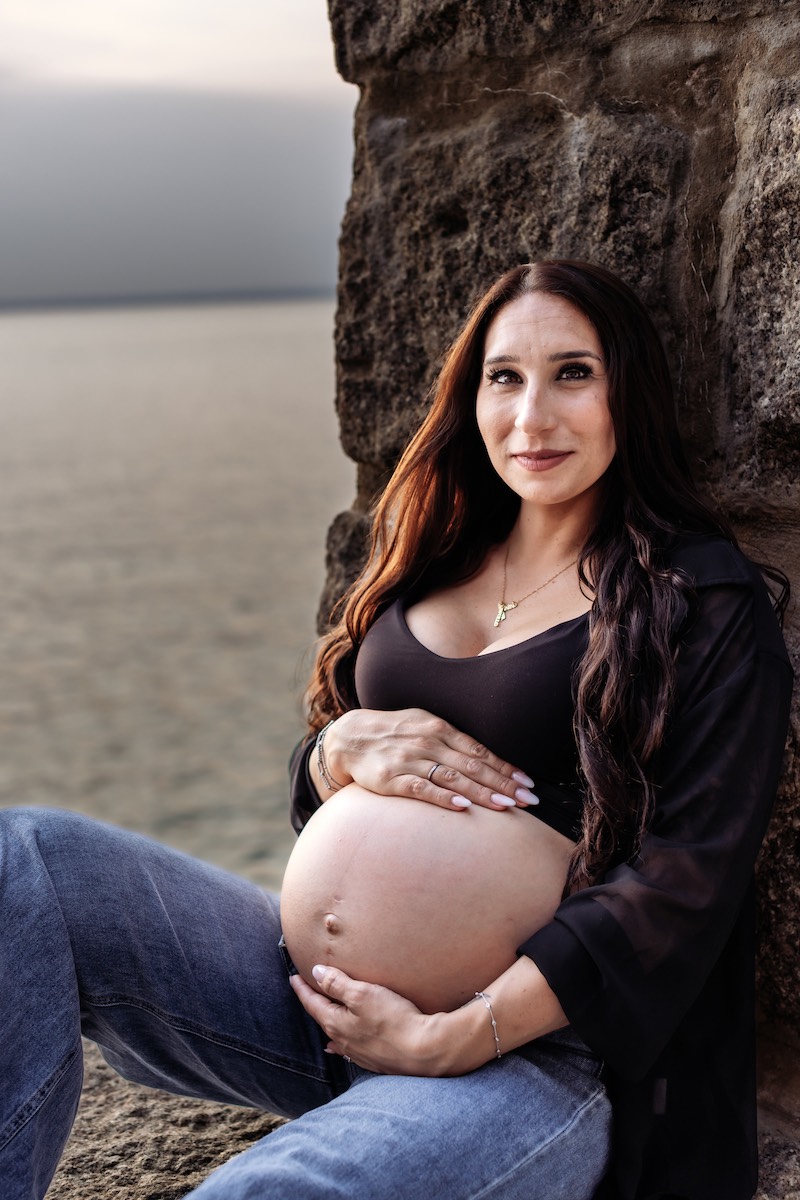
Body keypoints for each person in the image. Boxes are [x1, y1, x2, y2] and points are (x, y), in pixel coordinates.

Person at [0, 261, 791, 1200]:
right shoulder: (435, 555)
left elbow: (686, 878)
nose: (532, 416)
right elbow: (331, 766)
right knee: (28, 860)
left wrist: (455, 1035)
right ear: (472, 394)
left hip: (527, 1062)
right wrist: (333, 753)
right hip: (318, 1012)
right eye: (505, 377)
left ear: (630, 391)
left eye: (573, 373)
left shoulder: (696, 601)